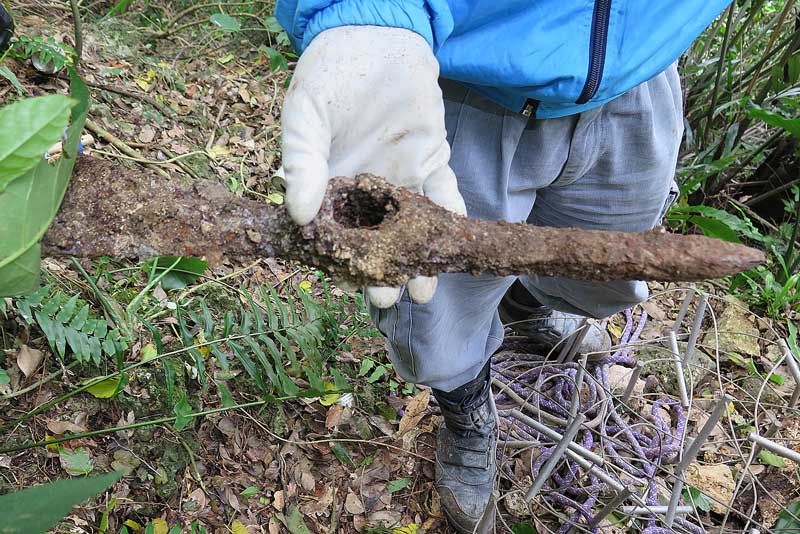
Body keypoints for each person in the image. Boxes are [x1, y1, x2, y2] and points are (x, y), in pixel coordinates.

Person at [275, 2, 731, 531]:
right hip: (473, 70)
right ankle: (465, 406)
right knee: (439, 312)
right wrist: (367, 10)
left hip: (640, 67)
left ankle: (521, 304)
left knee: (601, 279)